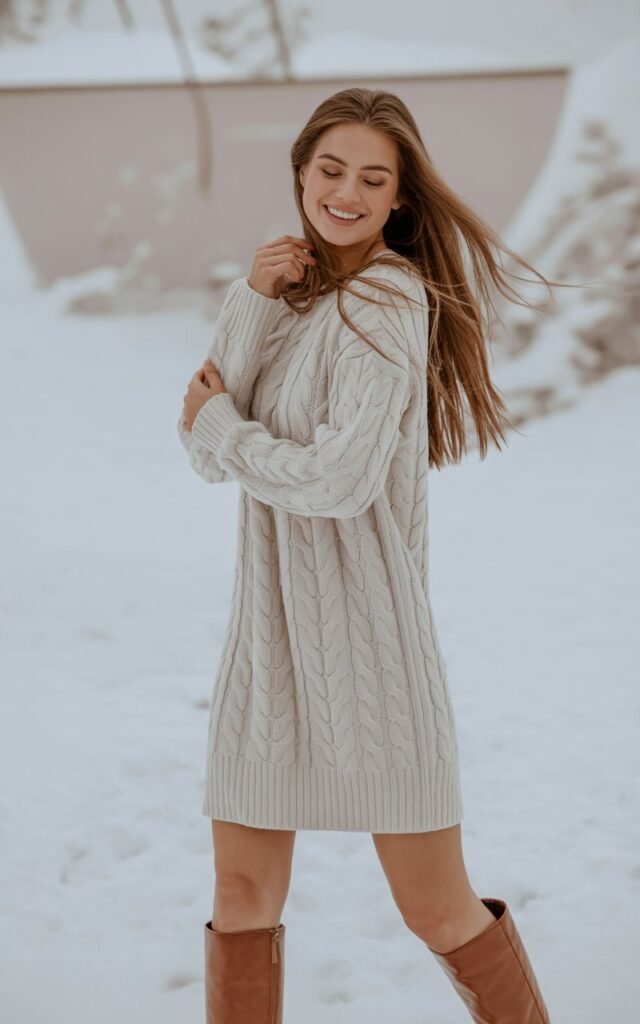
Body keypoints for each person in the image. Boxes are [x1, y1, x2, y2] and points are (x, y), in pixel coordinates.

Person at [178, 87, 556, 1024]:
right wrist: (253, 300)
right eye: (331, 169)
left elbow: (335, 479)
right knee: (239, 896)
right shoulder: (291, 295)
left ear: (400, 198)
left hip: (370, 652)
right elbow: (203, 449)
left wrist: (222, 425)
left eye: (373, 179)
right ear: (302, 172)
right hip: (270, 647)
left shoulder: (388, 301)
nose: (346, 193)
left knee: (435, 908)